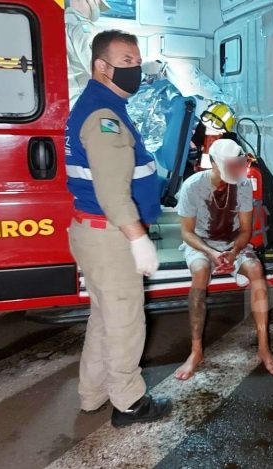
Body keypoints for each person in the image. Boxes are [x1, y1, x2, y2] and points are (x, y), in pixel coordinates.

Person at [65, 30, 171, 427]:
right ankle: (129, 403)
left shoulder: (102, 105)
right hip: (109, 234)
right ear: (101, 66)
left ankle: (92, 394)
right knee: (126, 320)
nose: (136, 69)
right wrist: (139, 239)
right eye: (126, 61)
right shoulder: (104, 116)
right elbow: (112, 192)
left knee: (104, 317)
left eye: (137, 61)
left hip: (93, 230)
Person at [174, 138, 273, 380]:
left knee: (255, 269)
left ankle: (264, 349)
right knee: (200, 273)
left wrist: (232, 253)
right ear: (213, 163)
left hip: (233, 245)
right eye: (229, 165)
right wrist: (212, 253)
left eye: (238, 164)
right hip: (201, 245)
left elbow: (245, 230)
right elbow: (187, 233)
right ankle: (196, 351)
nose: (235, 171)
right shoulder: (193, 186)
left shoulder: (243, 184)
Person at [65, 0, 110, 107]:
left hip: (72, 102)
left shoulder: (64, 23)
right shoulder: (82, 27)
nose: (99, 8)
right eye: (99, 3)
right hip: (85, 103)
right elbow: (100, 69)